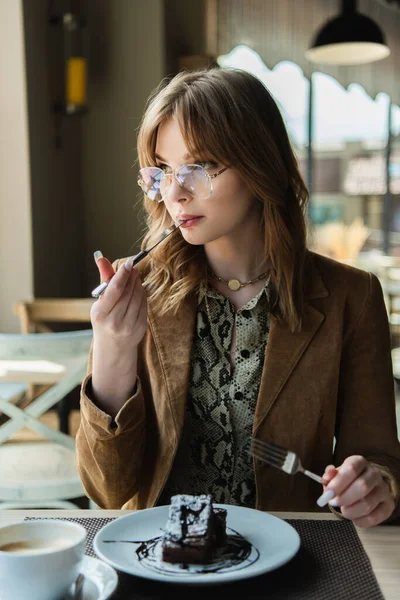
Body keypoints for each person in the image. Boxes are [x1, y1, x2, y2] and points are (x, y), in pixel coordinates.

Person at [76, 68, 400, 527]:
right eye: (163, 171)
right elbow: (107, 491)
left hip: (294, 560)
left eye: (202, 166)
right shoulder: (137, 291)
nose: (176, 192)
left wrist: (375, 485)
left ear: (260, 164)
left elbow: (381, 460)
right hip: (160, 559)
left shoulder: (353, 297)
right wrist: (112, 349)